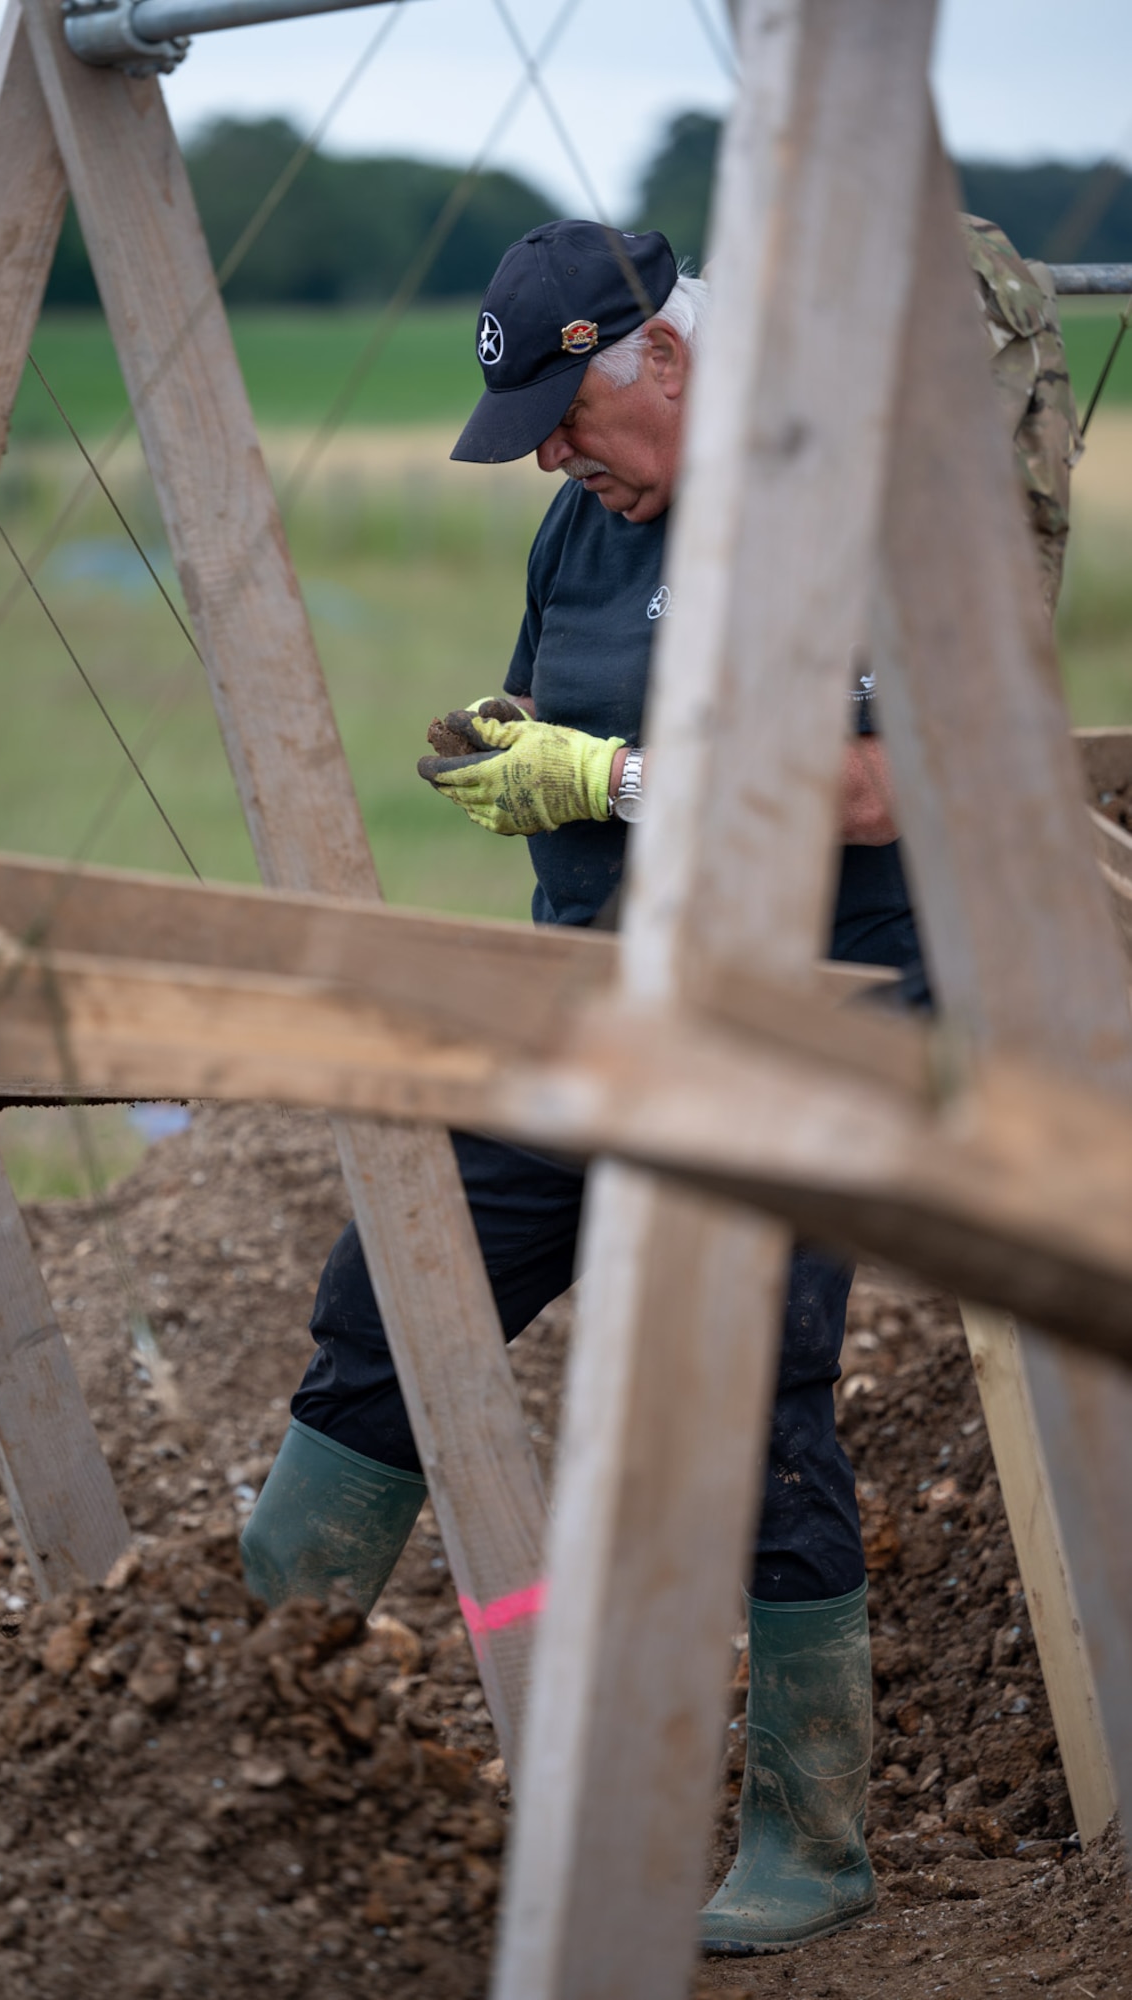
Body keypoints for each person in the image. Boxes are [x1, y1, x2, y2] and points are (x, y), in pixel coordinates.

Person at [239, 216, 1081, 1956]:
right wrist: (518, 757)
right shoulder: (587, 527)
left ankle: (813, 1833)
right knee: (400, 1284)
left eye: (568, 418)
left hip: (812, 1006)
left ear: (669, 360)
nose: (551, 458)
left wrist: (607, 775)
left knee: (747, 1385)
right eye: (535, 438)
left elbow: (874, 785)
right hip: (600, 996)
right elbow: (577, 719)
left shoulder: (832, 509)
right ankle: (222, 1730)